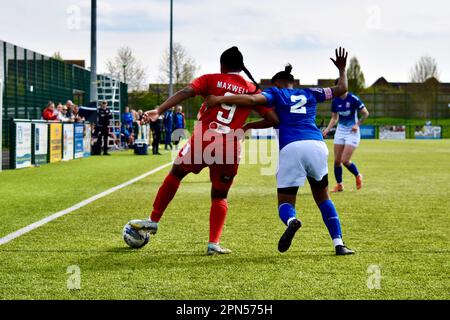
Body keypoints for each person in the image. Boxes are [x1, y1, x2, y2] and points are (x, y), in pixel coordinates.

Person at [129, 46, 278, 255]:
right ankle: (213, 243)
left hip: (204, 140)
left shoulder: (211, 79)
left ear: (223, 65)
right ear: (241, 67)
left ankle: (153, 220)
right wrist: (247, 127)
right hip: (230, 147)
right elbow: (273, 119)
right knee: (220, 195)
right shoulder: (252, 89)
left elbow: (186, 92)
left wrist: (159, 109)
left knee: (177, 173)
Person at [205, 48, 354, 256]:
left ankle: (292, 221)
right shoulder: (311, 93)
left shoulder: (274, 93)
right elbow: (342, 88)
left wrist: (220, 100)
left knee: (285, 202)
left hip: (291, 147)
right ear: (292, 83)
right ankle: (339, 244)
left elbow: (251, 101)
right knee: (323, 198)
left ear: (276, 83)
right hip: (317, 146)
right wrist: (342, 69)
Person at [323, 82, 369, 193]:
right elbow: (334, 118)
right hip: (340, 131)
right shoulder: (335, 101)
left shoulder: (353, 99)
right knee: (337, 161)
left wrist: (357, 125)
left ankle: (358, 175)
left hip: (352, 132)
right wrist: (327, 130)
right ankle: (339, 185)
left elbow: (365, 113)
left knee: (345, 160)